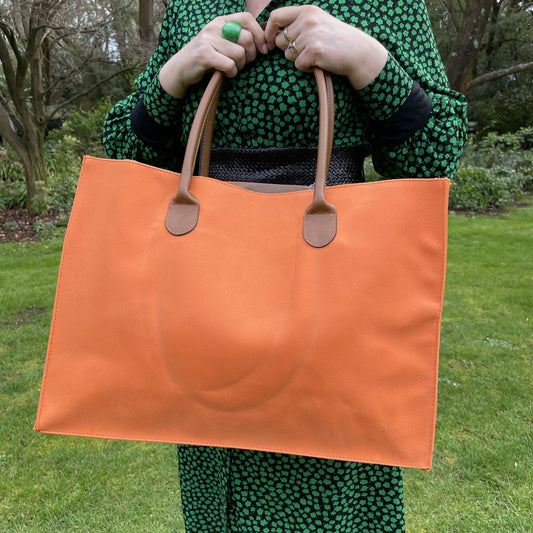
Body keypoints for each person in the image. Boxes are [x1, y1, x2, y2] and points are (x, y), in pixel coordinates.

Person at [103, 1, 467, 531]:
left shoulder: (380, 4)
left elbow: (434, 160)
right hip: (208, 315)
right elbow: (124, 158)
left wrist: (367, 60)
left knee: (330, 485)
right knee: (218, 486)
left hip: (329, 314)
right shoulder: (193, 7)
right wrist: (175, 74)